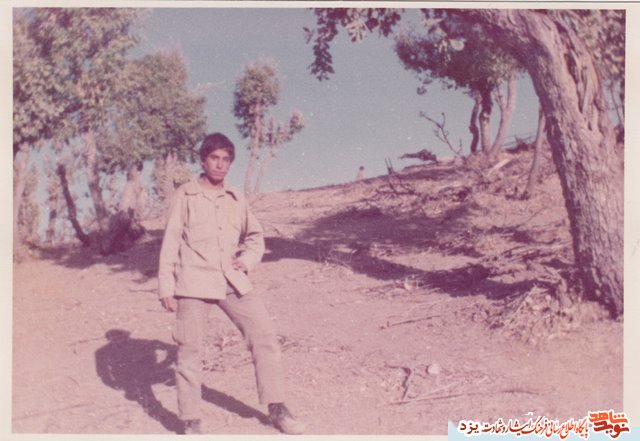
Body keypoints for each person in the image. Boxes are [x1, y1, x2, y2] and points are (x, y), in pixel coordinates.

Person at [158, 132, 305, 435]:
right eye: (214, 158)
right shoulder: (186, 195)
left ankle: (277, 408)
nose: (220, 164)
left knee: (264, 335)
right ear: (203, 160)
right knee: (189, 351)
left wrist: (247, 261)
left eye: (226, 160)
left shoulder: (236, 198)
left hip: (231, 281)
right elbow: (170, 241)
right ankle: (191, 421)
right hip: (193, 283)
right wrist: (166, 287)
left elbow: (255, 236)